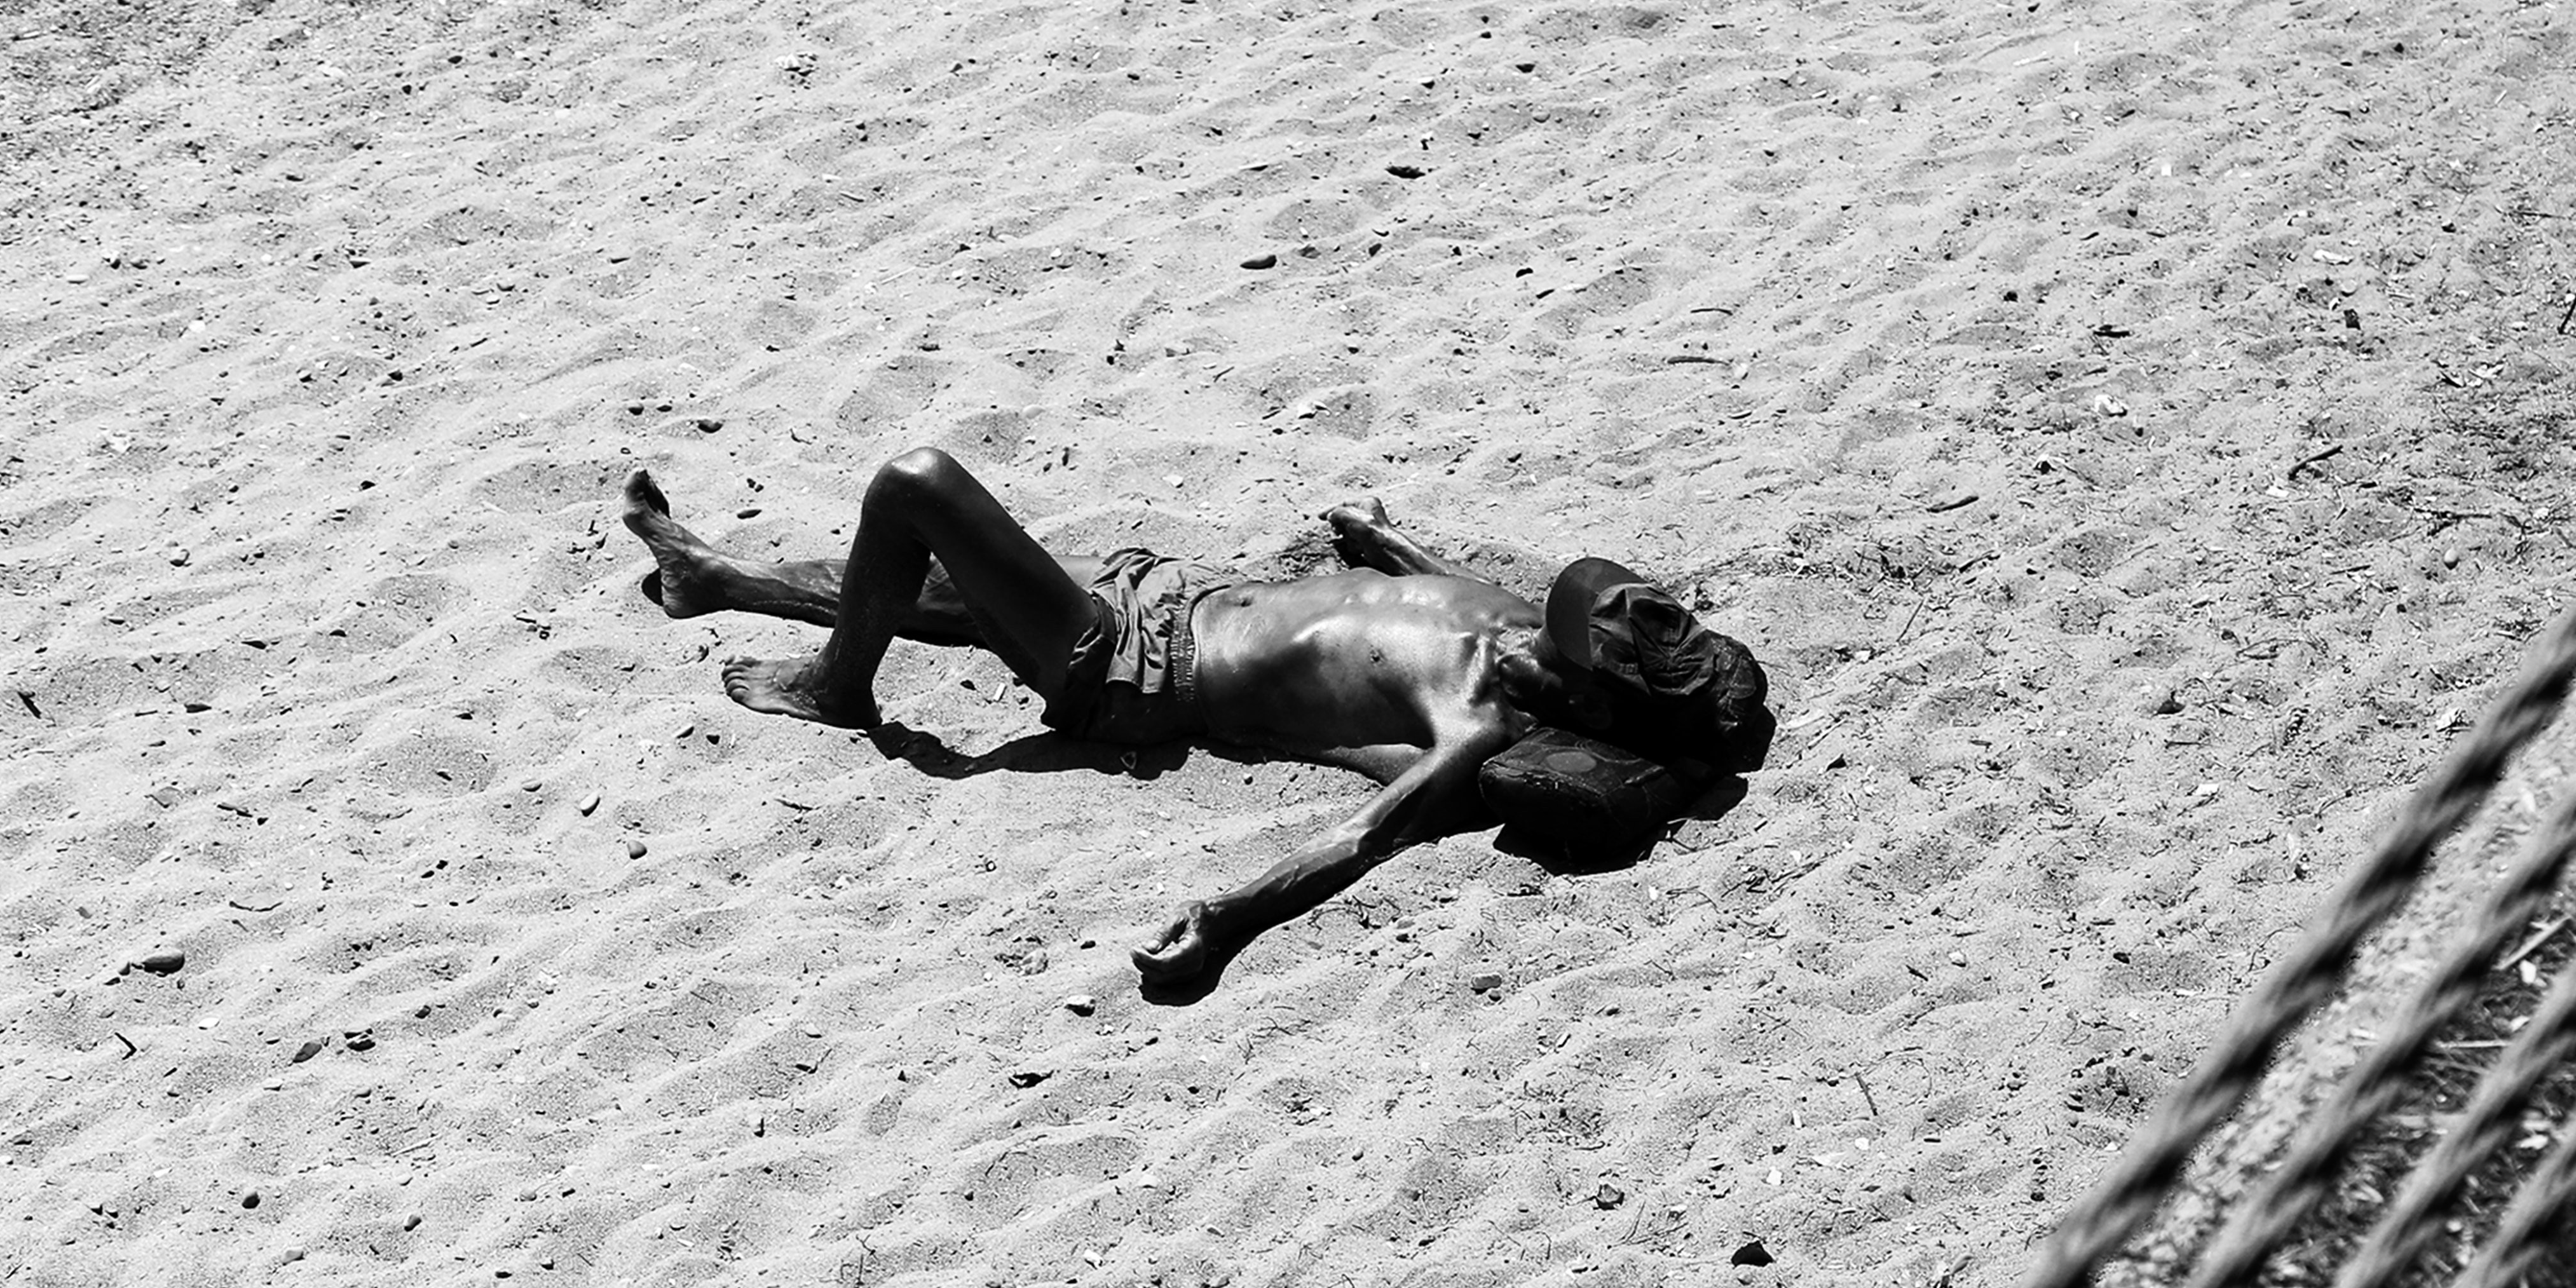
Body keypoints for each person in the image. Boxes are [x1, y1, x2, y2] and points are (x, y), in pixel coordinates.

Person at [618, 454, 1770, 998]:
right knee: (945, 589)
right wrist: (1387, 541)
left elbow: (1369, 840)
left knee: (915, 490)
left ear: (1581, 694)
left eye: (1586, 643)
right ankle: (716, 578)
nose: (1558, 624)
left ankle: (838, 689)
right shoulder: (1523, 635)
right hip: (1164, 594)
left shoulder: (1477, 719)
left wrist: (1225, 920)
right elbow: (1447, 592)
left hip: (1124, 668)